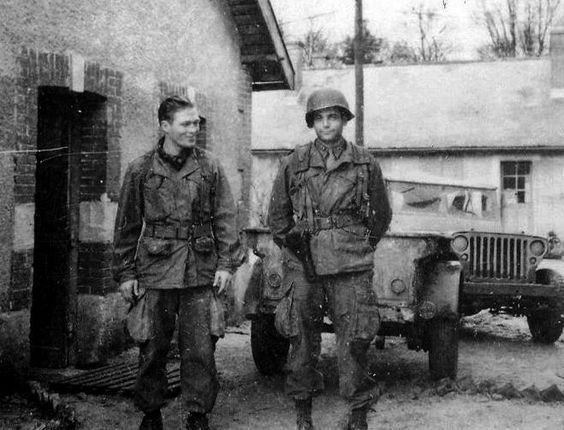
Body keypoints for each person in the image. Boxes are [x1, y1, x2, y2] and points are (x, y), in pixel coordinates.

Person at [112, 95, 242, 430]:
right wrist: (126, 273)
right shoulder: (141, 169)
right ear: (165, 126)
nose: (193, 129)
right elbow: (126, 226)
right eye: (186, 123)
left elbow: (226, 218)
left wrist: (226, 264)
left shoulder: (210, 166)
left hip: (200, 269)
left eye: (196, 123)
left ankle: (198, 414)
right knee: (152, 345)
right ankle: (151, 412)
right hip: (155, 270)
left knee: (200, 348)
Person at [268, 88, 392, 430]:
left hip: (350, 262)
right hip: (303, 262)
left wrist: (357, 243)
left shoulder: (364, 162)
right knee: (301, 339)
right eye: (320, 118)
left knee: (355, 338)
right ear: (312, 123)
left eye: (333, 117)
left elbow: (380, 215)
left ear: (344, 121)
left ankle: (357, 415)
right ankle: (303, 414)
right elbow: (277, 218)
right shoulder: (294, 162)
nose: (326, 124)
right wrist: (295, 246)